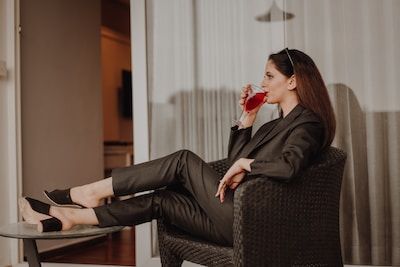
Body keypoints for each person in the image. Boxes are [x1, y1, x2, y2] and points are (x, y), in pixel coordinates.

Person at [19, 48, 336, 247]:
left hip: (253, 222)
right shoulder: (273, 124)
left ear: (292, 81)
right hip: (233, 214)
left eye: (269, 76)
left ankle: (88, 191)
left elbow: (290, 166)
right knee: (161, 200)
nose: (262, 83)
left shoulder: (307, 124)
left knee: (183, 160)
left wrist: (247, 166)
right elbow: (231, 161)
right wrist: (247, 119)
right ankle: (72, 217)